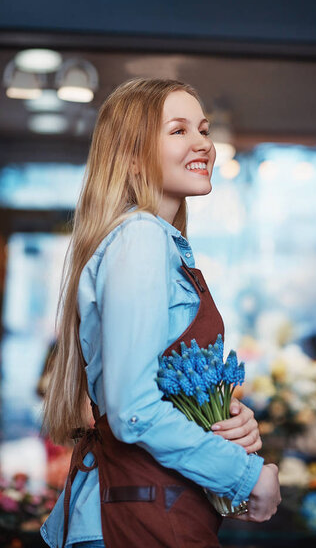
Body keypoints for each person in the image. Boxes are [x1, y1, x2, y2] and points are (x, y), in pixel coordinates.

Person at [40, 78, 281, 548]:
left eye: (204, 130)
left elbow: (147, 395)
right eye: (178, 130)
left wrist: (229, 421)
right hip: (139, 518)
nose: (202, 144)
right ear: (131, 156)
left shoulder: (155, 244)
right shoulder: (141, 238)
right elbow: (133, 412)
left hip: (148, 509)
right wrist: (245, 473)